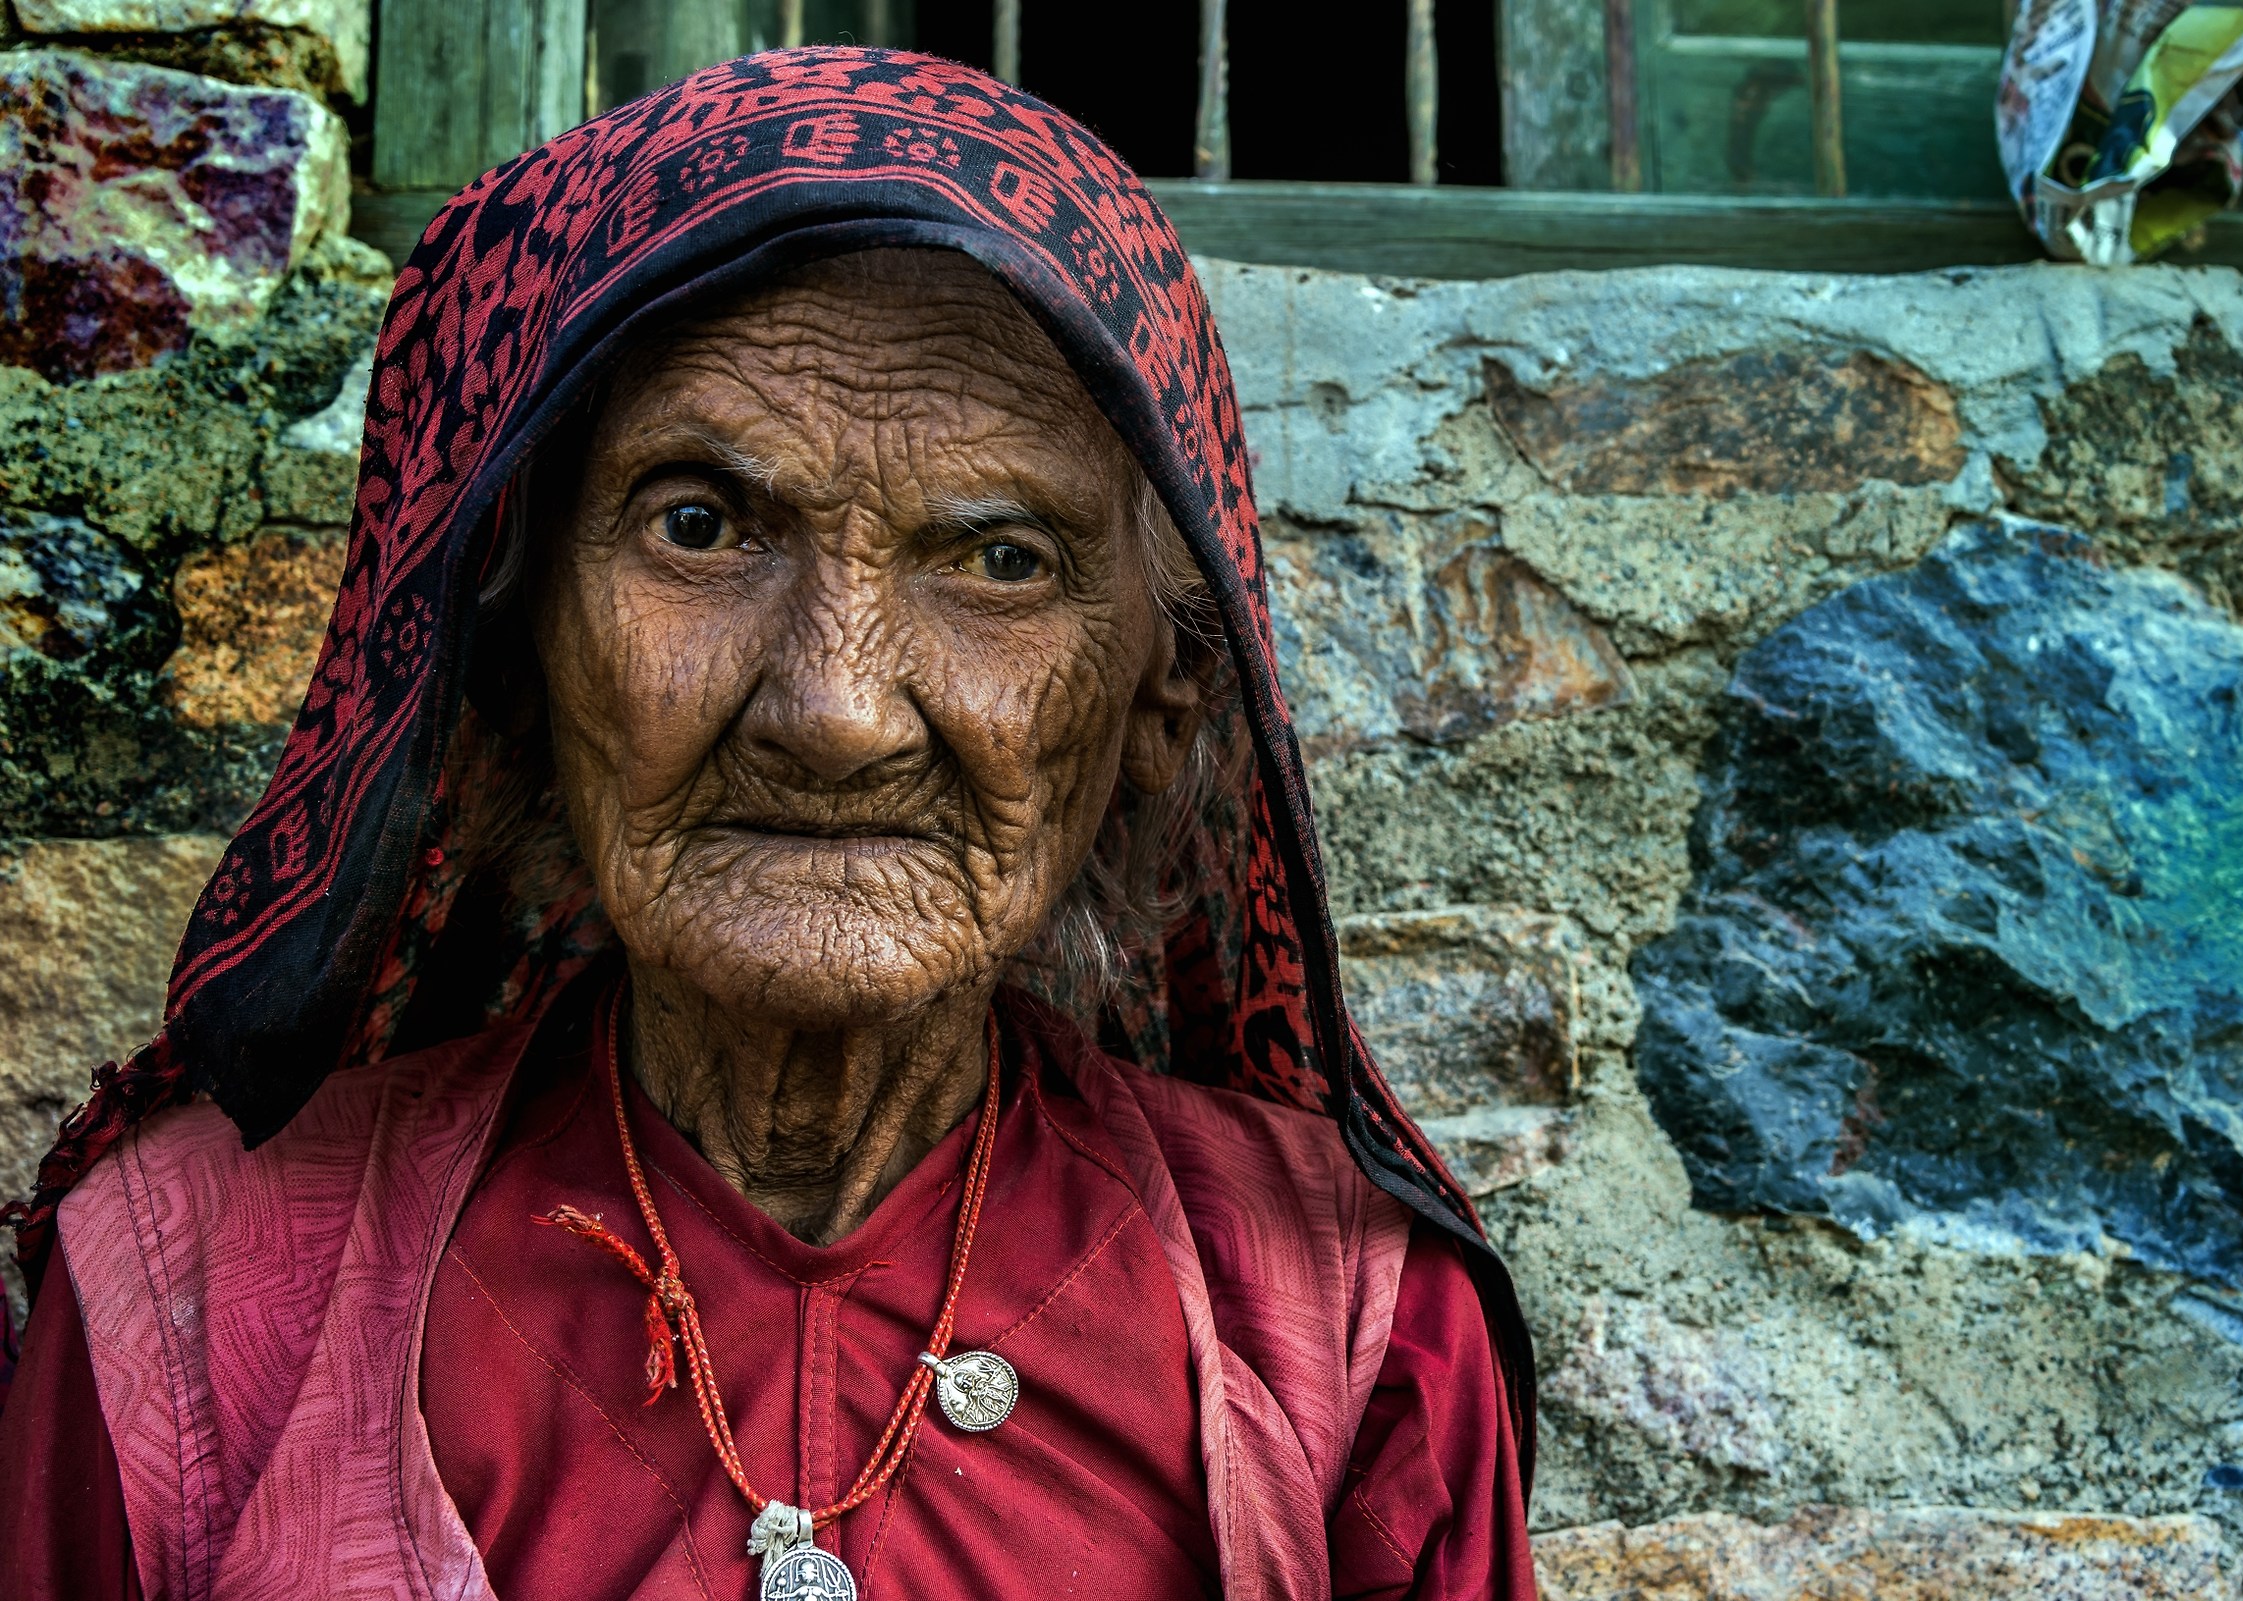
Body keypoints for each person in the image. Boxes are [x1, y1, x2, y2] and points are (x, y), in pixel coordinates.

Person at [0, 48, 1535, 1601]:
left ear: (1161, 697)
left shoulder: (1353, 1336)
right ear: (516, 653)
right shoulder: (186, 1304)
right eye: (700, 525)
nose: (837, 710)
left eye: (998, 559)